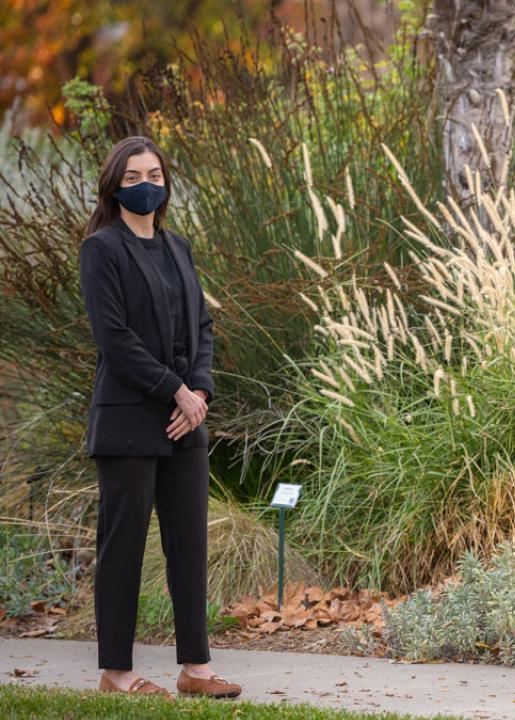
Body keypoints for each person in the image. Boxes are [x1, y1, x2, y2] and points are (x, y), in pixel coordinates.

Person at [79, 136, 240, 699]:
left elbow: (201, 326)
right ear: (114, 187)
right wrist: (176, 390)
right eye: (131, 178)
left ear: (165, 181)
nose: (145, 184)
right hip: (129, 420)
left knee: (188, 545)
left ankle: (196, 668)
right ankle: (116, 673)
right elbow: (115, 339)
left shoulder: (179, 247)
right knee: (123, 547)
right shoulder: (102, 249)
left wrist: (198, 390)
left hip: (185, 420)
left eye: (153, 174)